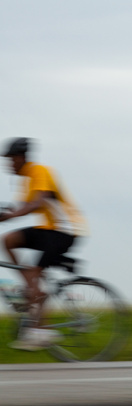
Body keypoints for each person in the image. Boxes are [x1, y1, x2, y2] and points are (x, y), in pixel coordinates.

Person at [0, 137, 87, 351]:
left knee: (35, 275)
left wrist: (10, 216)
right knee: (9, 240)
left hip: (65, 230)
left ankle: (42, 331)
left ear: (21, 158)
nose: (8, 164)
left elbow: (36, 203)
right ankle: (32, 285)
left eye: (11, 160)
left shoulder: (40, 171)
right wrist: (5, 213)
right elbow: (20, 207)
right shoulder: (28, 178)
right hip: (50, 230)